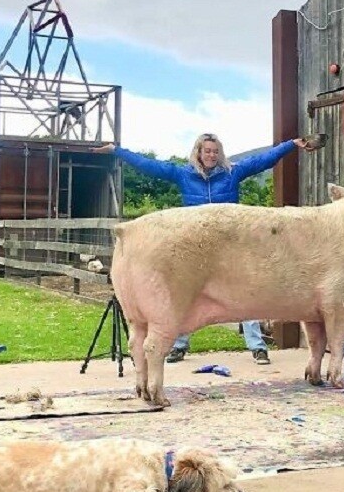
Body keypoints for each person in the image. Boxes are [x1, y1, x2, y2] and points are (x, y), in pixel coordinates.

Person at [91, 132, 321, 364]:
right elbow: (150, 166)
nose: (211, 155)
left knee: (246, 292)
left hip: (229, 249)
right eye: (207, 151)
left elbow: (262, 160)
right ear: (198, 153)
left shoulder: (233, 172)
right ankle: (179, 346)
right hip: (194, 250)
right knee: (185, 295)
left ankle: (257, 346)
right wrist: (116, 151)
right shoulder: (183, 174)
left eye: (215, 151)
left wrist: (291, 145)